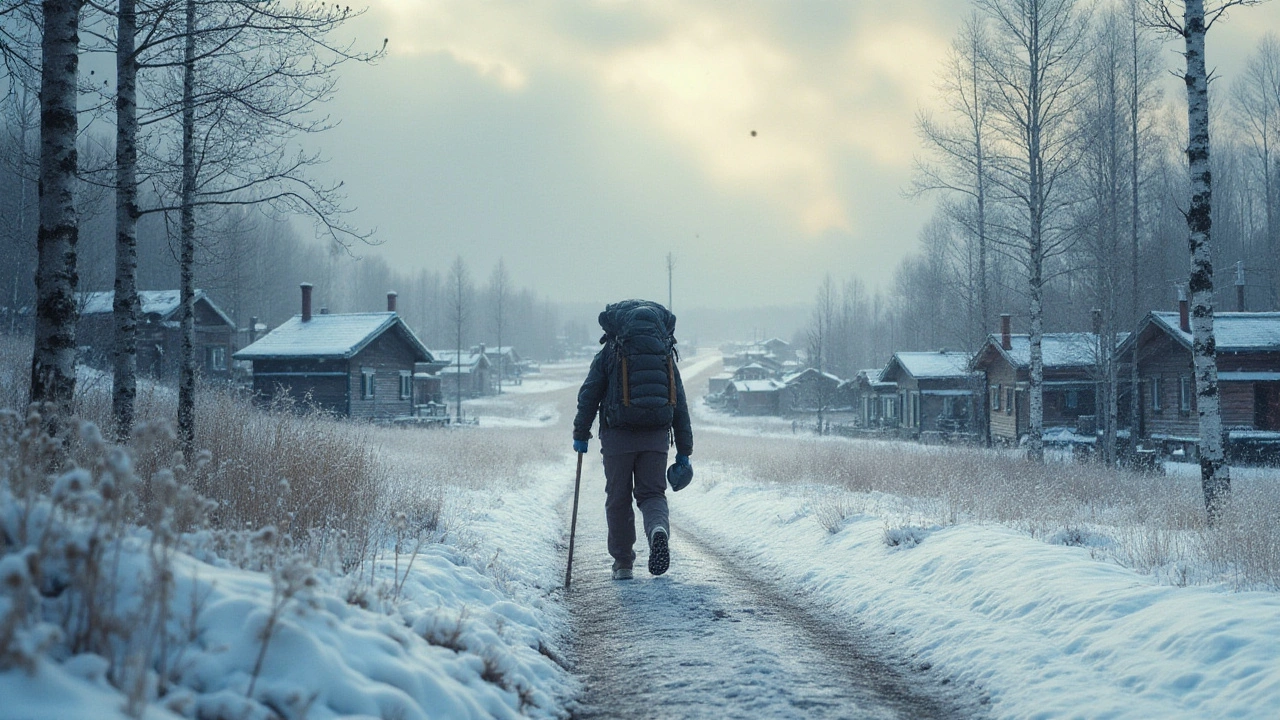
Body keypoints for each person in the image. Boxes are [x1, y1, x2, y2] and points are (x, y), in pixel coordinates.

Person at [573, 300, 693, 580]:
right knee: (652, 494)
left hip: (617, 439)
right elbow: (680, 402)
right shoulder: (663, 352)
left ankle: (623, 563)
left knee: (618, 498)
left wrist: (581, 433)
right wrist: (684, 451)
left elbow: (589, 393)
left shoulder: (612, 350)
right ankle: (657, 531)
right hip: (656, 437)